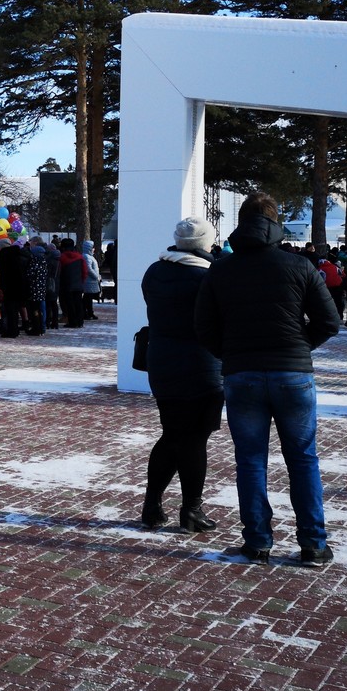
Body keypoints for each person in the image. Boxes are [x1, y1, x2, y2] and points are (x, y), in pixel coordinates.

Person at [195, 192, 340, 567]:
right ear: (276, 223)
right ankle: (313, 544)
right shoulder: (300, 265)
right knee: (303, 459)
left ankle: (258, 541)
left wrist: (232, 354)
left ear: (241, 223)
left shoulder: (220, 269)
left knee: (250, 461)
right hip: (292, 373)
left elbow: (204, 327)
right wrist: (298, 348)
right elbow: (329, 322)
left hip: (242, 374)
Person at [139, 217, 224, 533]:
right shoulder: (209, 276)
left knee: (172, 434)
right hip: (202, 366)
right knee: (194, 439)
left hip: (161, 363)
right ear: (206, 243)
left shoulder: (154, 271)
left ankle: (152, 505)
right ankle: (191, 510)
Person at [57, 239, 88, 329]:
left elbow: (59, 271)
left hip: (66, 284)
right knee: (78, 303)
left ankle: (72, 321)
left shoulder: (62, 258)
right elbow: (84, 271)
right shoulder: (80, 257)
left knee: (69, 304)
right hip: (78, 284)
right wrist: (82, 281)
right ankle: (80, 321)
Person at [80, 240, 102, 320]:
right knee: (87, 298)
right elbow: (89, 268)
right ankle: (86, 313)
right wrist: (96, 276)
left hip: (91, 281)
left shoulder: (89, 256)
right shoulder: (87, 257)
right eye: (92, 247)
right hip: (89, 281)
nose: (94, 249)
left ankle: (89, 312)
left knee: (88, 298)